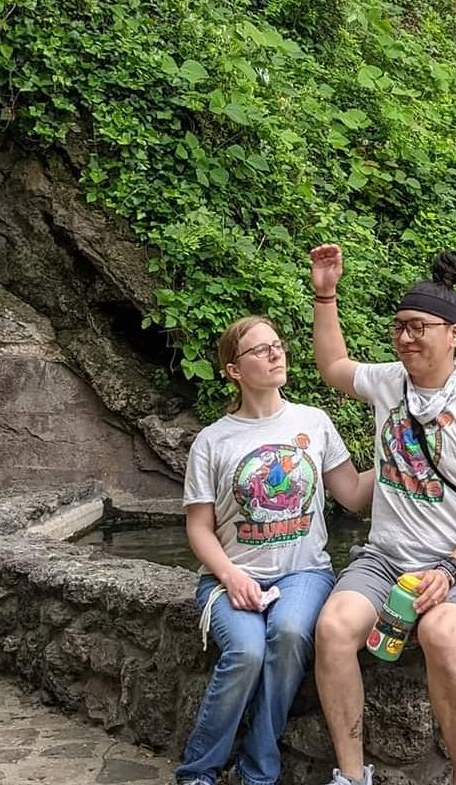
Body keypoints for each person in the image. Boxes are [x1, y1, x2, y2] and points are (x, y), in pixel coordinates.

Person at [309, 245, 456, 785]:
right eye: (400, 326)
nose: (405, 337)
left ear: (453, 334)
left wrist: (448, 570)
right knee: (332, 628)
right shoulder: (388, 383)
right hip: (384, 559)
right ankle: (352, 777)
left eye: (419, 326)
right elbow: (332, 365)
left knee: (443, 634)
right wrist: (325, 293)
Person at [175, 315, 372, 785]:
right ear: (234, 370)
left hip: (304, 572)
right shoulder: (212, 440)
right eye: (260, 350)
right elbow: (199, 528)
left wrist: (398, 453)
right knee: (245, 652)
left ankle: (258, 771)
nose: (275, 353)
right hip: (230, 574)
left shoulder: (313, 422)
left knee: (287, 636)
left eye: (278, 345)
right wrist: (231, 577)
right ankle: (198, 771)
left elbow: (353, 495)